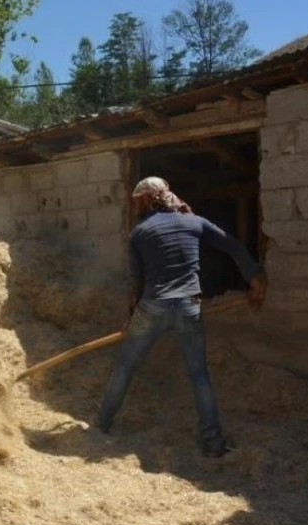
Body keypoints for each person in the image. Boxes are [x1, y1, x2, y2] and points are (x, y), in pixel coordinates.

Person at [93, 176, 268, 457]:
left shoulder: (139, 233)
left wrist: (131, 318)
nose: (135, 206)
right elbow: (232, 245)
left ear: (148, 199)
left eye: (137, 201)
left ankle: (100, 426)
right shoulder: (194, 222)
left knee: (126, 365)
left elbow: (137, 282)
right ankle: (214, 443)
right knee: (199, 375)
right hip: (188, 305)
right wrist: (255, 277)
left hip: (152, 307)